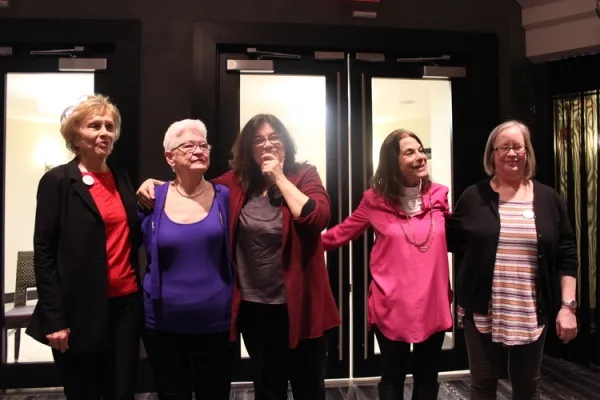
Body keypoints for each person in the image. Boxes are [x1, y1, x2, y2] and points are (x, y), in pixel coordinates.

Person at [137, 113, 340, 400]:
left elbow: (316, 219)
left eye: (274, 137)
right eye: (258, 140)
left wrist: (279, 177)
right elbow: (191, 183)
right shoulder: (235, 183)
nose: (267, 144)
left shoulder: (303, 175)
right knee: (268, 389)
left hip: (301, 304)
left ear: (285, 143)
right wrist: (154, 183)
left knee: (310, 388)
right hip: (255, 309)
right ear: (248, 147)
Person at [447, 120, 579, 400]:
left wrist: (568, 307)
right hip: (483, 310)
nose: (511, 153)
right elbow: (449, 242)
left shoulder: (548, 198)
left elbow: (567, 256)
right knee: (482, 387)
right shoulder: (474, 197)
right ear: (492, 155)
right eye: (504, 147)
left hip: (530, 309)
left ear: (527, 152)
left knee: (527, 388)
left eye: (518, 146)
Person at [320, 129, 452, 400]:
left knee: (427, 376)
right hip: (392, 303)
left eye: (420, 150)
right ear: (393, 161)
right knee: (392, 375)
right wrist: (300, 241)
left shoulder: (439, 196)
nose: (420, 157)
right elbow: (340, 234)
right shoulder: (374, 200)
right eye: (409, 152)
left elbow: (458, 235)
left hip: (432, 301)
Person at [26, 94, 143, 400]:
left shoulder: (122, 178)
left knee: (122, 392)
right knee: (85, 392)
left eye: (109, 126)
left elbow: (133, 233)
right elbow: (45, 254)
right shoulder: (58, 181)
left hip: (126, 306)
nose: (104, 132)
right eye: (95, 125)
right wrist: (55, 320)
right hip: (79, 311)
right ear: (75, 135)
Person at [139, 119, 234, 400]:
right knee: (172, 394)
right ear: (170, 157)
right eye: (188, 145)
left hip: (217, 322)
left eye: (203, 145)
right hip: (163, 324)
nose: (198, 150)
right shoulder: (151, 198)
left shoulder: (224, 196)